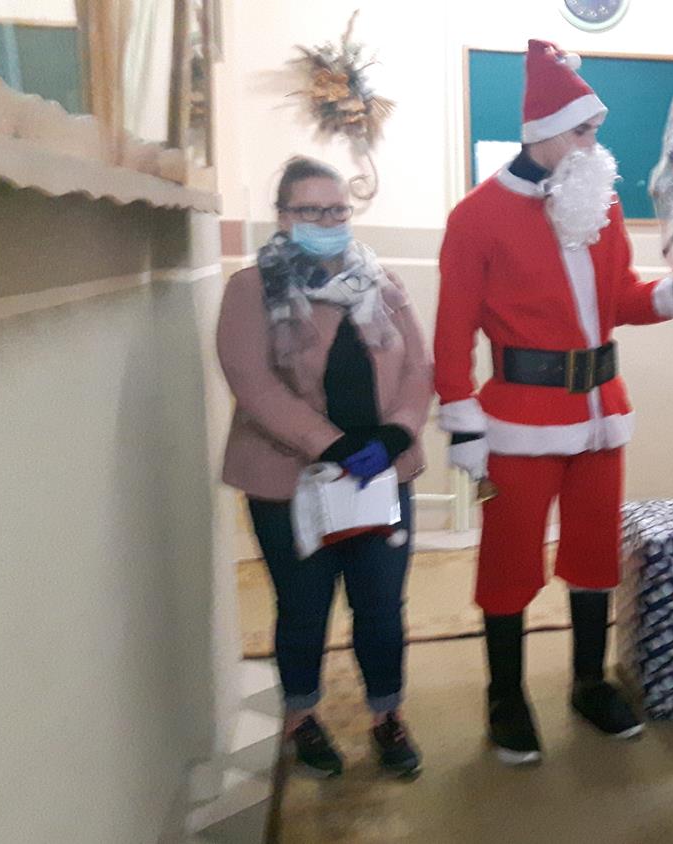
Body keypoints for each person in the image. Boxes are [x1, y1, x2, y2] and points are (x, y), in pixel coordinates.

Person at [434, 39, 673, 766]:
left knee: (595, 554)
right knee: (509, 559)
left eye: (595, 131)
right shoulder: (476, 217)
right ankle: (505, 695)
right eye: (582, 131)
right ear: (541, 131)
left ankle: (589, 683)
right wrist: (462, 419)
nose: (594, 144)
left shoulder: (599, 201)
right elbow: (452, 330)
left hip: (600, 414)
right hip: (519, 419)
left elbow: (620, 298)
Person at [216, 157, 432, 780]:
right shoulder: (251, 289)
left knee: (382, 604)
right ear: (284, 217)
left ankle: (387, 713)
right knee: (304, 606)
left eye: (337, 210)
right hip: (291, 481)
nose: (328, 221)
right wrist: (330, 444)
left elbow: (419, 366)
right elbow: (253, 383)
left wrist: (398, 433)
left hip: (380, 476)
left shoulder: (382, 283)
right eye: (311, 210)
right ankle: (301, 716)